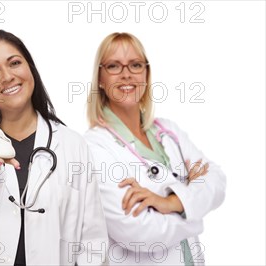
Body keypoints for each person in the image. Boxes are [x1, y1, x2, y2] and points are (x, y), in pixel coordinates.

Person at [0, 29, 108, 265]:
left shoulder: (71, 144)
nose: (7, 76)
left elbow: (92, 241)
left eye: (14, 63)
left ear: (30, 70)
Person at [84, 32, 227, 265]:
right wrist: (193, 210)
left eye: (136, 65)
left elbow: (217, 181)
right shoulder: (94, 147)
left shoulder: (169, 132)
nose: (127, 74)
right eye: (114, 66)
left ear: (146, 74)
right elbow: (136, 230)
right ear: (100, 77)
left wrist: (171, 203)